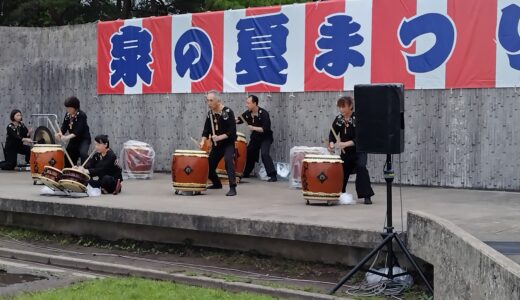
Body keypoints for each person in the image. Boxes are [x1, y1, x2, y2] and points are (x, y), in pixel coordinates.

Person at [328, 96, 374, 205]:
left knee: (361, 167)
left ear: (351, 106)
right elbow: (332, 134)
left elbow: (361, 137)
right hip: (346, 152)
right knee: (342, 169)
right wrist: (331, 144)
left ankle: (366, 195)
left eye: (343, 107)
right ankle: (340, 192)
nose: (341, 109)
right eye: (340, 107)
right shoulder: (339, 119)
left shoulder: (358, 118)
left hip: (359, 151)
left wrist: (345, 143)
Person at [199, 91, 237, 196]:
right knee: (209, 165)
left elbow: (232, 131)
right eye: (208, 100)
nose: (209, 103)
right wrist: (203, 141)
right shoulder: (210, 113)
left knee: (228, 160)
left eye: (211, 101)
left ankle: (233, 187)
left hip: (228, 144)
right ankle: (217, 183)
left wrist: (219, 137)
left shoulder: (227, 112)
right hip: (217, 146)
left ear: (218, 101)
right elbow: (206, 130)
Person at [236, 95, 277, 182]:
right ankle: (246, 173)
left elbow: (266, 129)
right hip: (255, 138)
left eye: (248, 103)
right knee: (250, 152)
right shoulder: (247, 113)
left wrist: (253, 128)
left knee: (264, 154)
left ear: (254, 103)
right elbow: (239, 120)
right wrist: (231, 119)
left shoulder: (264, 113)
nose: (246, 105)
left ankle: (273, 175)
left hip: (265, 137)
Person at [55, 96, 91, 167]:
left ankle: (85, 173)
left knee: (83, 154)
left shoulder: (81, 115)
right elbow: (64, 126)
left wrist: (67, 137)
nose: (68, 109)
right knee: (68, 156)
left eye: (69, 108)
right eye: (67, 108)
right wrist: (59, 134)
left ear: (75, 107)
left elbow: (79, 130)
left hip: (84, 139)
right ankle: (70, 173)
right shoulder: (68, 115)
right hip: (73, 140)